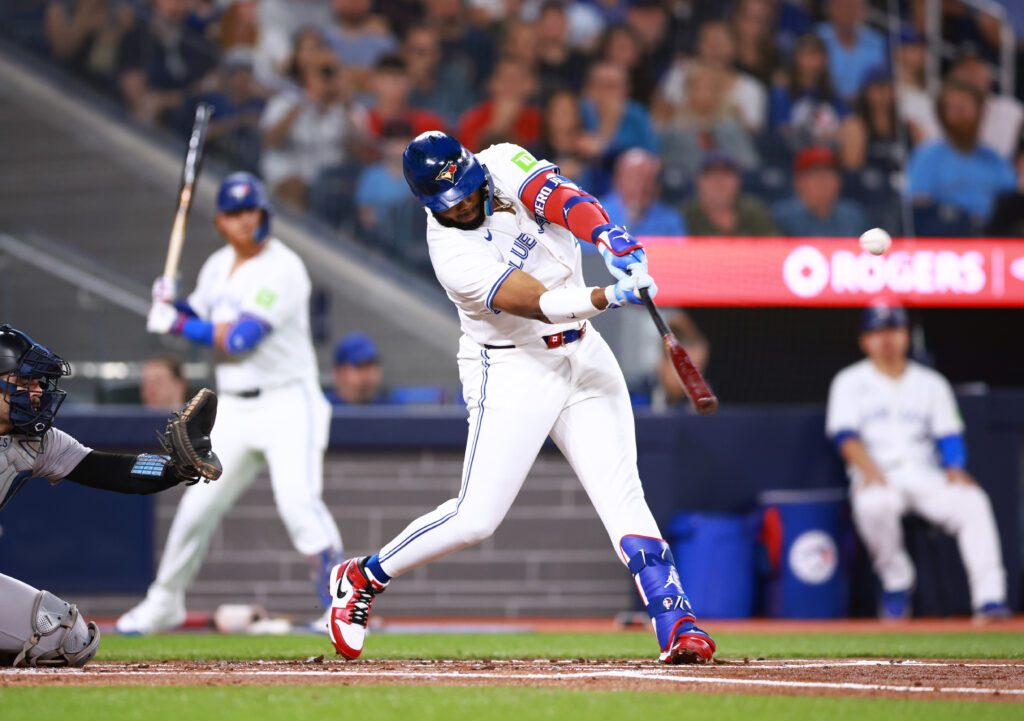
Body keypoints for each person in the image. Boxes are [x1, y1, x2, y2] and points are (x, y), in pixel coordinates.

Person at [326, 131, 716, 666]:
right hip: (513, 366)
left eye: (467, 189)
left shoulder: (502, 161)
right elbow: (540, 302)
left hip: (584, 354)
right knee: (476, 518)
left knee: (623, 494)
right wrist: (608, 294)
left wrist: (607, 237)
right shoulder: (451, 255)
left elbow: (563, 200)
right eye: (450, 203)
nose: (464, 205)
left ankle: (677, 623)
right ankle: (362, 576)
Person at [117, 172, 344, 634]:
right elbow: (199, 315)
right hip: (235, 409)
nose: (247, 220)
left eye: (253, 210)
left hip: (288, 402)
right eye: (237, 213)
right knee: (196, 509)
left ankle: (337, 604)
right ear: (221, 221)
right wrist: (171, 304)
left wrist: (175, 325)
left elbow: (241, 337)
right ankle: (164, 603)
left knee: (299, 504)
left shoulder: (284, 267)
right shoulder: (219, 265)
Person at [0, 324, 221, 666]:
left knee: (67, 637)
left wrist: (174, 468)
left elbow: (111, 470)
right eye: (24, 382)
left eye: (37, 384)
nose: (36, 393)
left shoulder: (36, 441)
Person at [826, 305, 1009, 621]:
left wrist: (955, 467)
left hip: (925, 474)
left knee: (973, 501)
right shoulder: (849, 381)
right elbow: (845, 436)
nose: (887, 339)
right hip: (877, 472)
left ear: (906, 335)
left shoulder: (931, 383)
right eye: (878, 331)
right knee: (874, 505)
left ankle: (990, 599)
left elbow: (949, 435)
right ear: (865, 340)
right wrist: (869, 470)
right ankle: (897, 583)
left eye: (894, 330)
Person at [906, 80, 1016, 224]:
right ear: (941, 114)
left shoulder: (994, 159)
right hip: (945, 236)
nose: (958, 118)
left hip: (991, 237)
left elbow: (1012, 200)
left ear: (981, 112)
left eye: (963, 109)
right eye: (952, 110)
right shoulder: (927, 156)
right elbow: (918, 205)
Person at [772, 145, 868, 237]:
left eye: (829, 174)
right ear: (799, 181)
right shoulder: (781, 217)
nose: (823, 181)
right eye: (816, 175)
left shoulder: (853, 216)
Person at [682, 151, 779, 236]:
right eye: (710, 174)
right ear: (698, 181)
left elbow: (772, 246)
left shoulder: (753, 210)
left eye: (726, 174)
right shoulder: (685, 215)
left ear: (738, 181)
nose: (719, 180)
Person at [629, 310, 710, 412]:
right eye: (685, 367)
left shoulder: (704, 399)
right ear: (663, 362)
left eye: (699, 367)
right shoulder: (636, 394)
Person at [599, 148, 686, 237]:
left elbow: (678, 249)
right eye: (634, 177)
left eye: (648, 179)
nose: (641, 185)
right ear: (618, 179)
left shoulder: (670, 220)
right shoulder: (597, 215)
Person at [815, 0, 886, 103]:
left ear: (864, 11)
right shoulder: (817, 39)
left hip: (867, 107)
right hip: (825, 105)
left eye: (854, 6)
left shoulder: (877, 43)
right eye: (842, 6)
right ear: (829, 8)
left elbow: (882, 82)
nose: (848, 11)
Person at [327, 332, 387, 405]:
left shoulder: (391, 406)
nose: (369, 375)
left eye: (373, 367)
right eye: (360, 367)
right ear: (338, 372)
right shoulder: (321, 409)